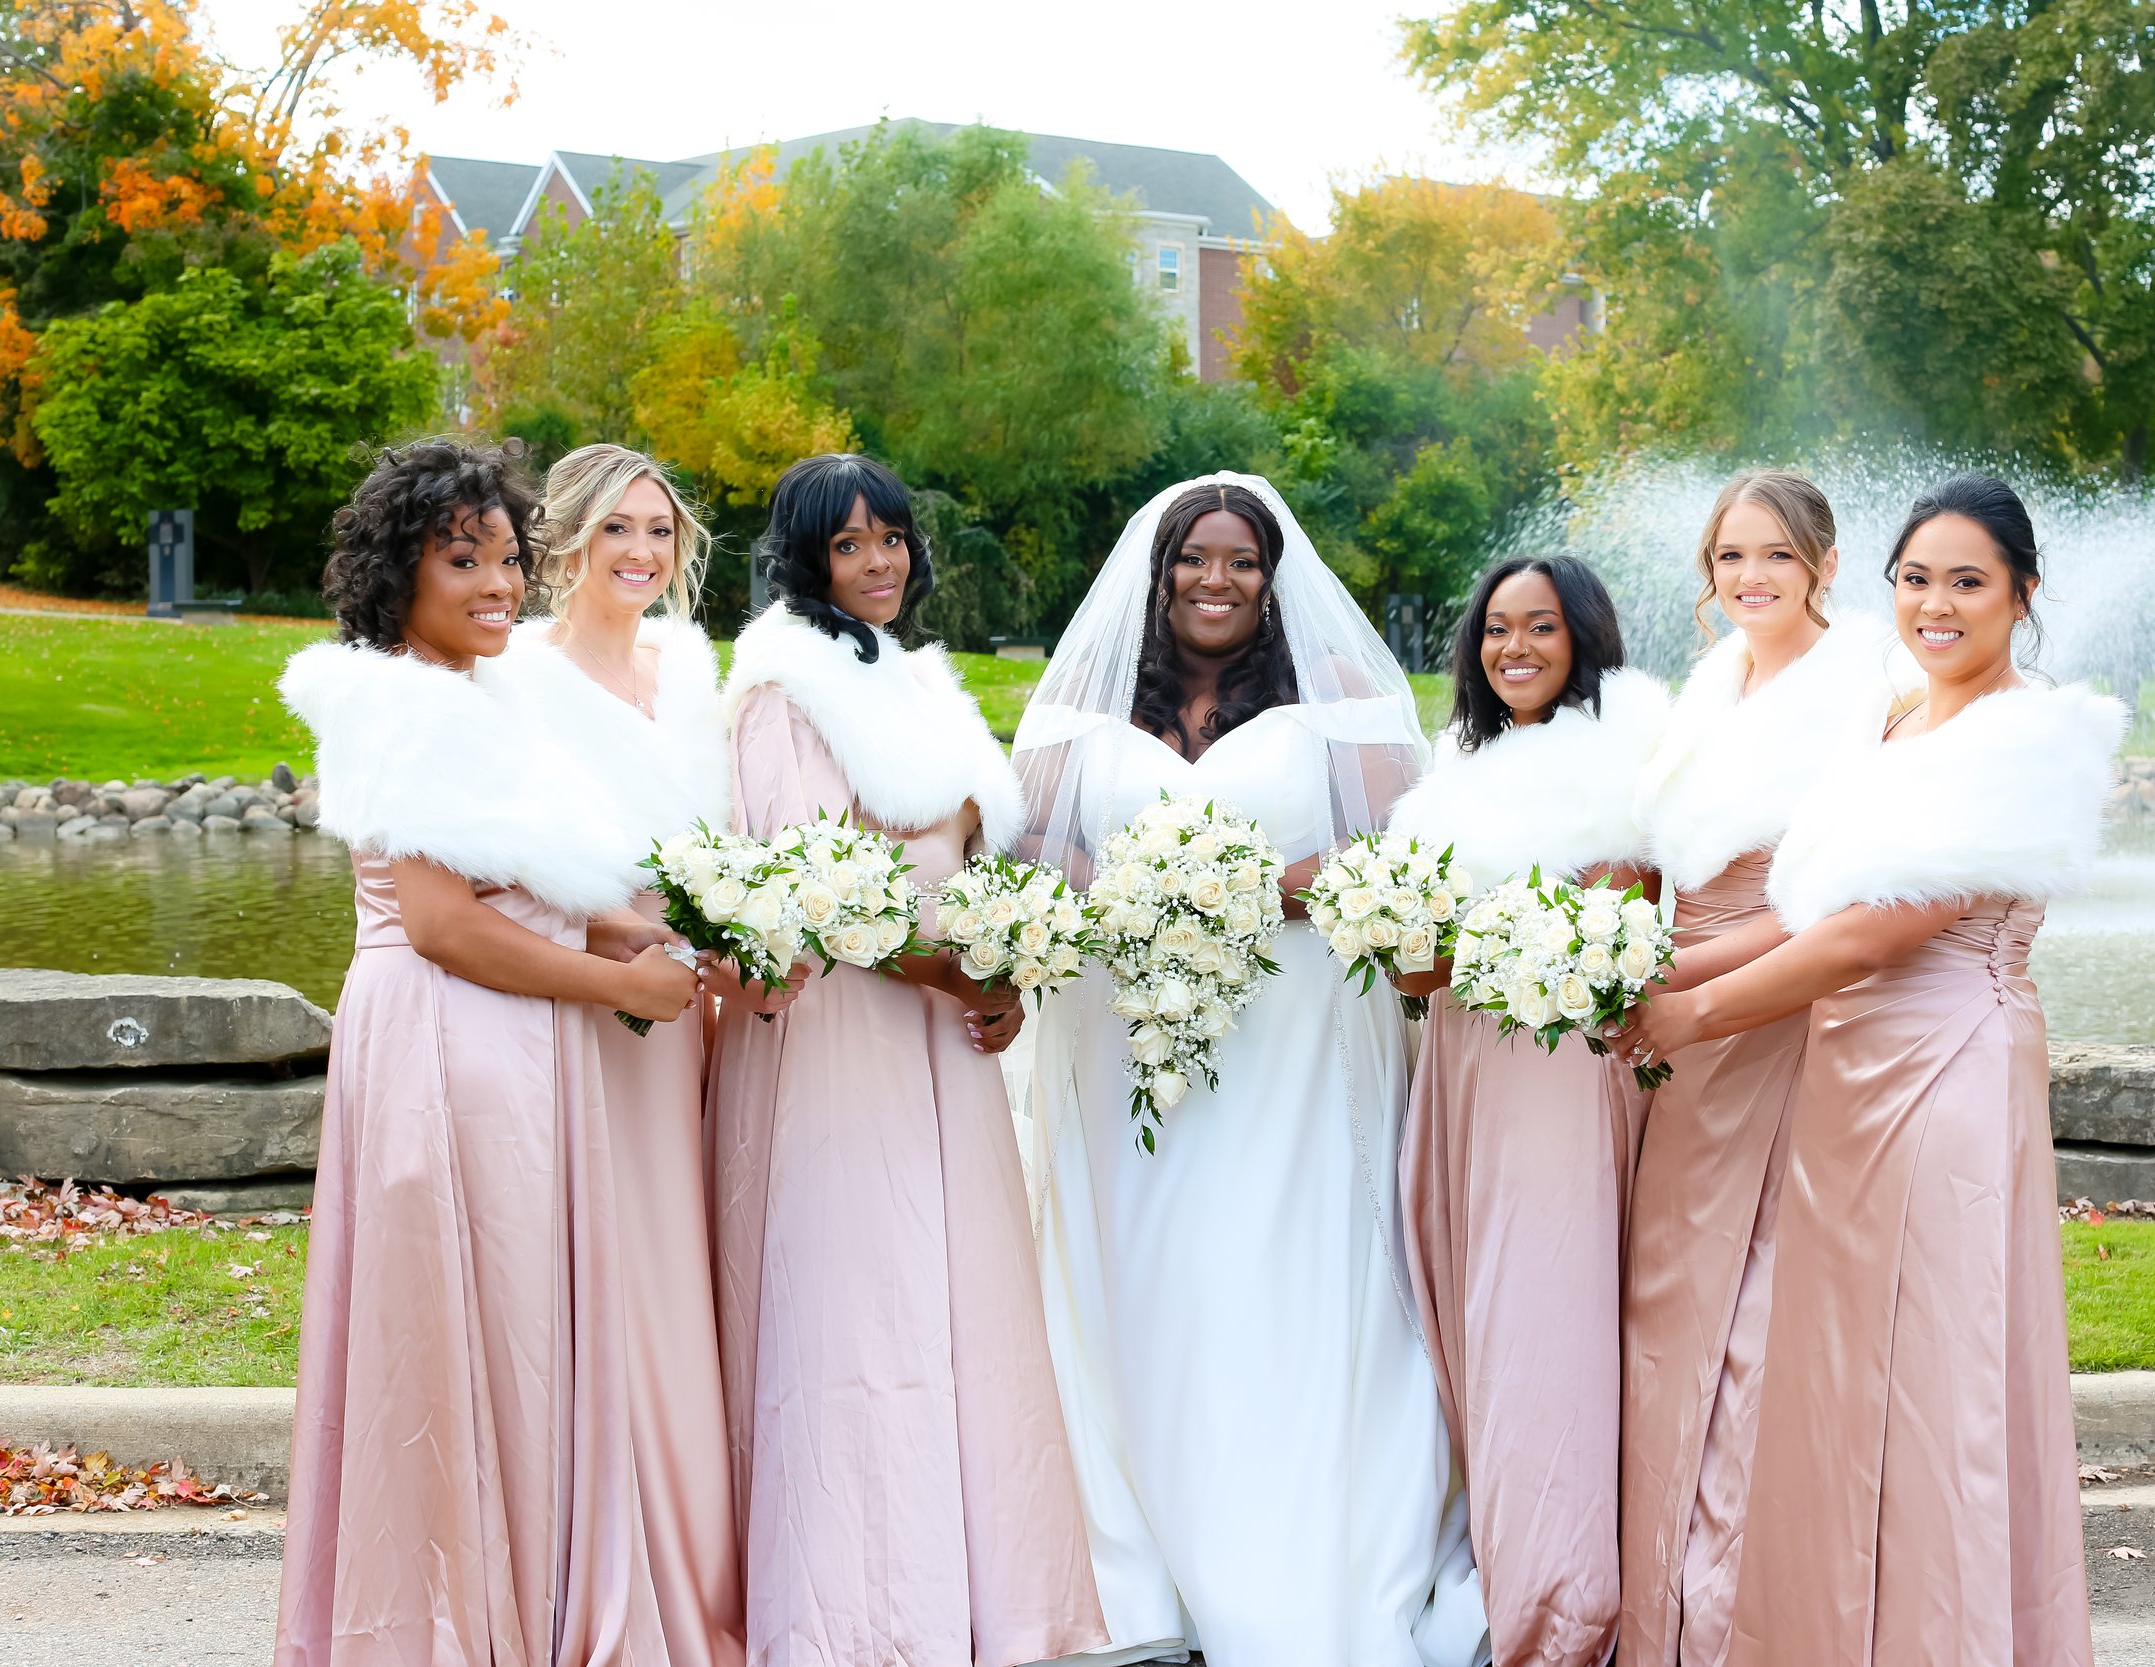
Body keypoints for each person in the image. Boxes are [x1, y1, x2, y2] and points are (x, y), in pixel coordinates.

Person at [1614, 474, 2123, 1667]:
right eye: (1916, 578)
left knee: (1936, 1379)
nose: (1935, 604)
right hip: (1847, 1079)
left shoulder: (2026, 736)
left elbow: (1872, 934)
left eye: (1967, 581)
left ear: (2022, 594)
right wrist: (1646, 964)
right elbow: (1806, 906)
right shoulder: (1894, 719)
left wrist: (1693, 1015)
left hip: (1944, 1071)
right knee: (1844, 1380)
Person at [1011, 472, 1484, 1667]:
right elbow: (1039, 853)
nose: (1213, 579)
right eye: (1193, 557)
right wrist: (1129, 891)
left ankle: (1302, 1546)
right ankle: (1141, 1569)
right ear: (1157, 569)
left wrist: (1264, 886)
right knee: (1146, 1267)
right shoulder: (1085, 701)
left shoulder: (1335, 699)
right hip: (1125, 1035)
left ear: (1273, 580)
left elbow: (1398, 860)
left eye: (1240, 560)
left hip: (1296, 1039)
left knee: (1279, 1262)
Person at [274, 437, 700, 1665]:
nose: (500, 583)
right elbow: (443, 923)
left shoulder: (472, 694)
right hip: (446, 1040)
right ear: (395, 573)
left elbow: (514, 883)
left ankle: (522, 1590)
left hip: (507, 1035)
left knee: (516, 1324)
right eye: (462, 561)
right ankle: (453, 1616)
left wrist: (632, 929)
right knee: (463, 1328)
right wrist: (625, 986)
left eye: (508, 557)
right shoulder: (402, 705)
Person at [706, 452, 1106, 1666]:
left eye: (889, 538)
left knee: (956, 1291)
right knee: (860, 1299)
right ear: (805, 558)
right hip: (844, 1028)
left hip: (941, 1025)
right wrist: (943, 967)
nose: (878, 561)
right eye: (848, 543)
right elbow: (807, 883)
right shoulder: (783, 690)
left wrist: (1005, 969)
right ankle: (862, 1610)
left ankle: (978, 1589)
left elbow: (965, 859)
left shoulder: (918, 677)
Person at [1612, 471, 1907, 1667]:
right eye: (1730, 556)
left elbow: (1827, 902)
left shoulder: (1866, 686)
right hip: (1676, 1026)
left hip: (1768, 1013)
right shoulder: (1712, 679)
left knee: (1754, 1321)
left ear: (1824, 564)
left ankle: (1739, 1613)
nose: (1749, 577)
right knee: (1668, 1301)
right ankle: (1657, 1602)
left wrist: (1670, 978)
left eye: (1775, 555)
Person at [477, 443, 748, 1667]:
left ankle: (696, 1556)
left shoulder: (687, 668)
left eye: (659, 529)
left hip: (694, 1009)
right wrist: (617, 940)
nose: (641, 551)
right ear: (567, 541)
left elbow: (725, 840)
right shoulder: (518, 677)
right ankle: (610, 1572)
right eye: (616, 530)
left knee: (685, 1263)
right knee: (612, 1269)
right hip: (594, 1006)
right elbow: (507, 872)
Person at [1384, 555, 1667, 1667]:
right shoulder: (1455, 764)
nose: (1514, 648)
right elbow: (1417, 971)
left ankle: (1560, 1601)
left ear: (1582, 636)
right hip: (1462, 1068)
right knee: (1470, 1312)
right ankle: (1500, 1557)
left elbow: (1624, 930)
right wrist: (1395, 931)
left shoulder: (1623, 764)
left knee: (1544, 1316)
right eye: (1496, 628)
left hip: (1557, 1073)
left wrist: (1469, 940)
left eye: (1540, 627)